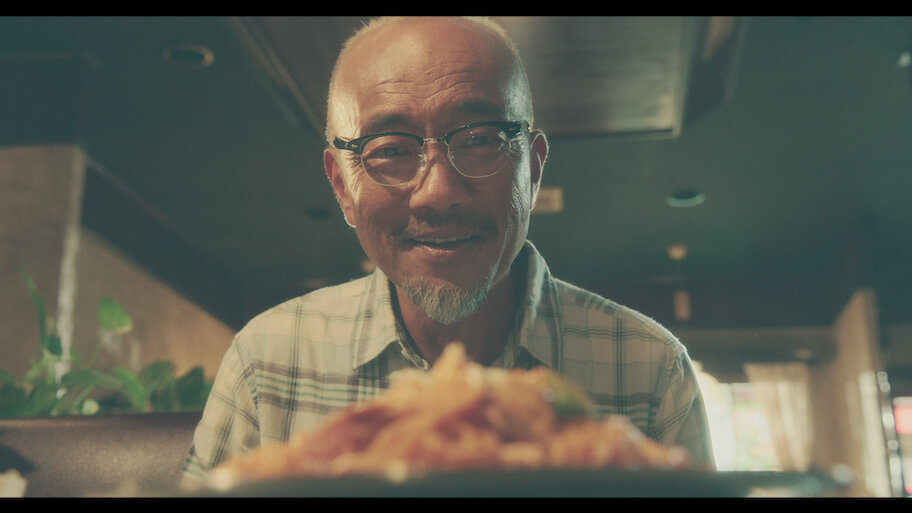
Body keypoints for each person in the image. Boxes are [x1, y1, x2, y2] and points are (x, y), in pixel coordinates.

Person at [183, 16, 715, 483]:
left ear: (532, 170)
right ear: (342, 187)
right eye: (389, 149)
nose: (437, 192)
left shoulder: (650, 369)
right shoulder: (267, 361)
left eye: (480, 138)